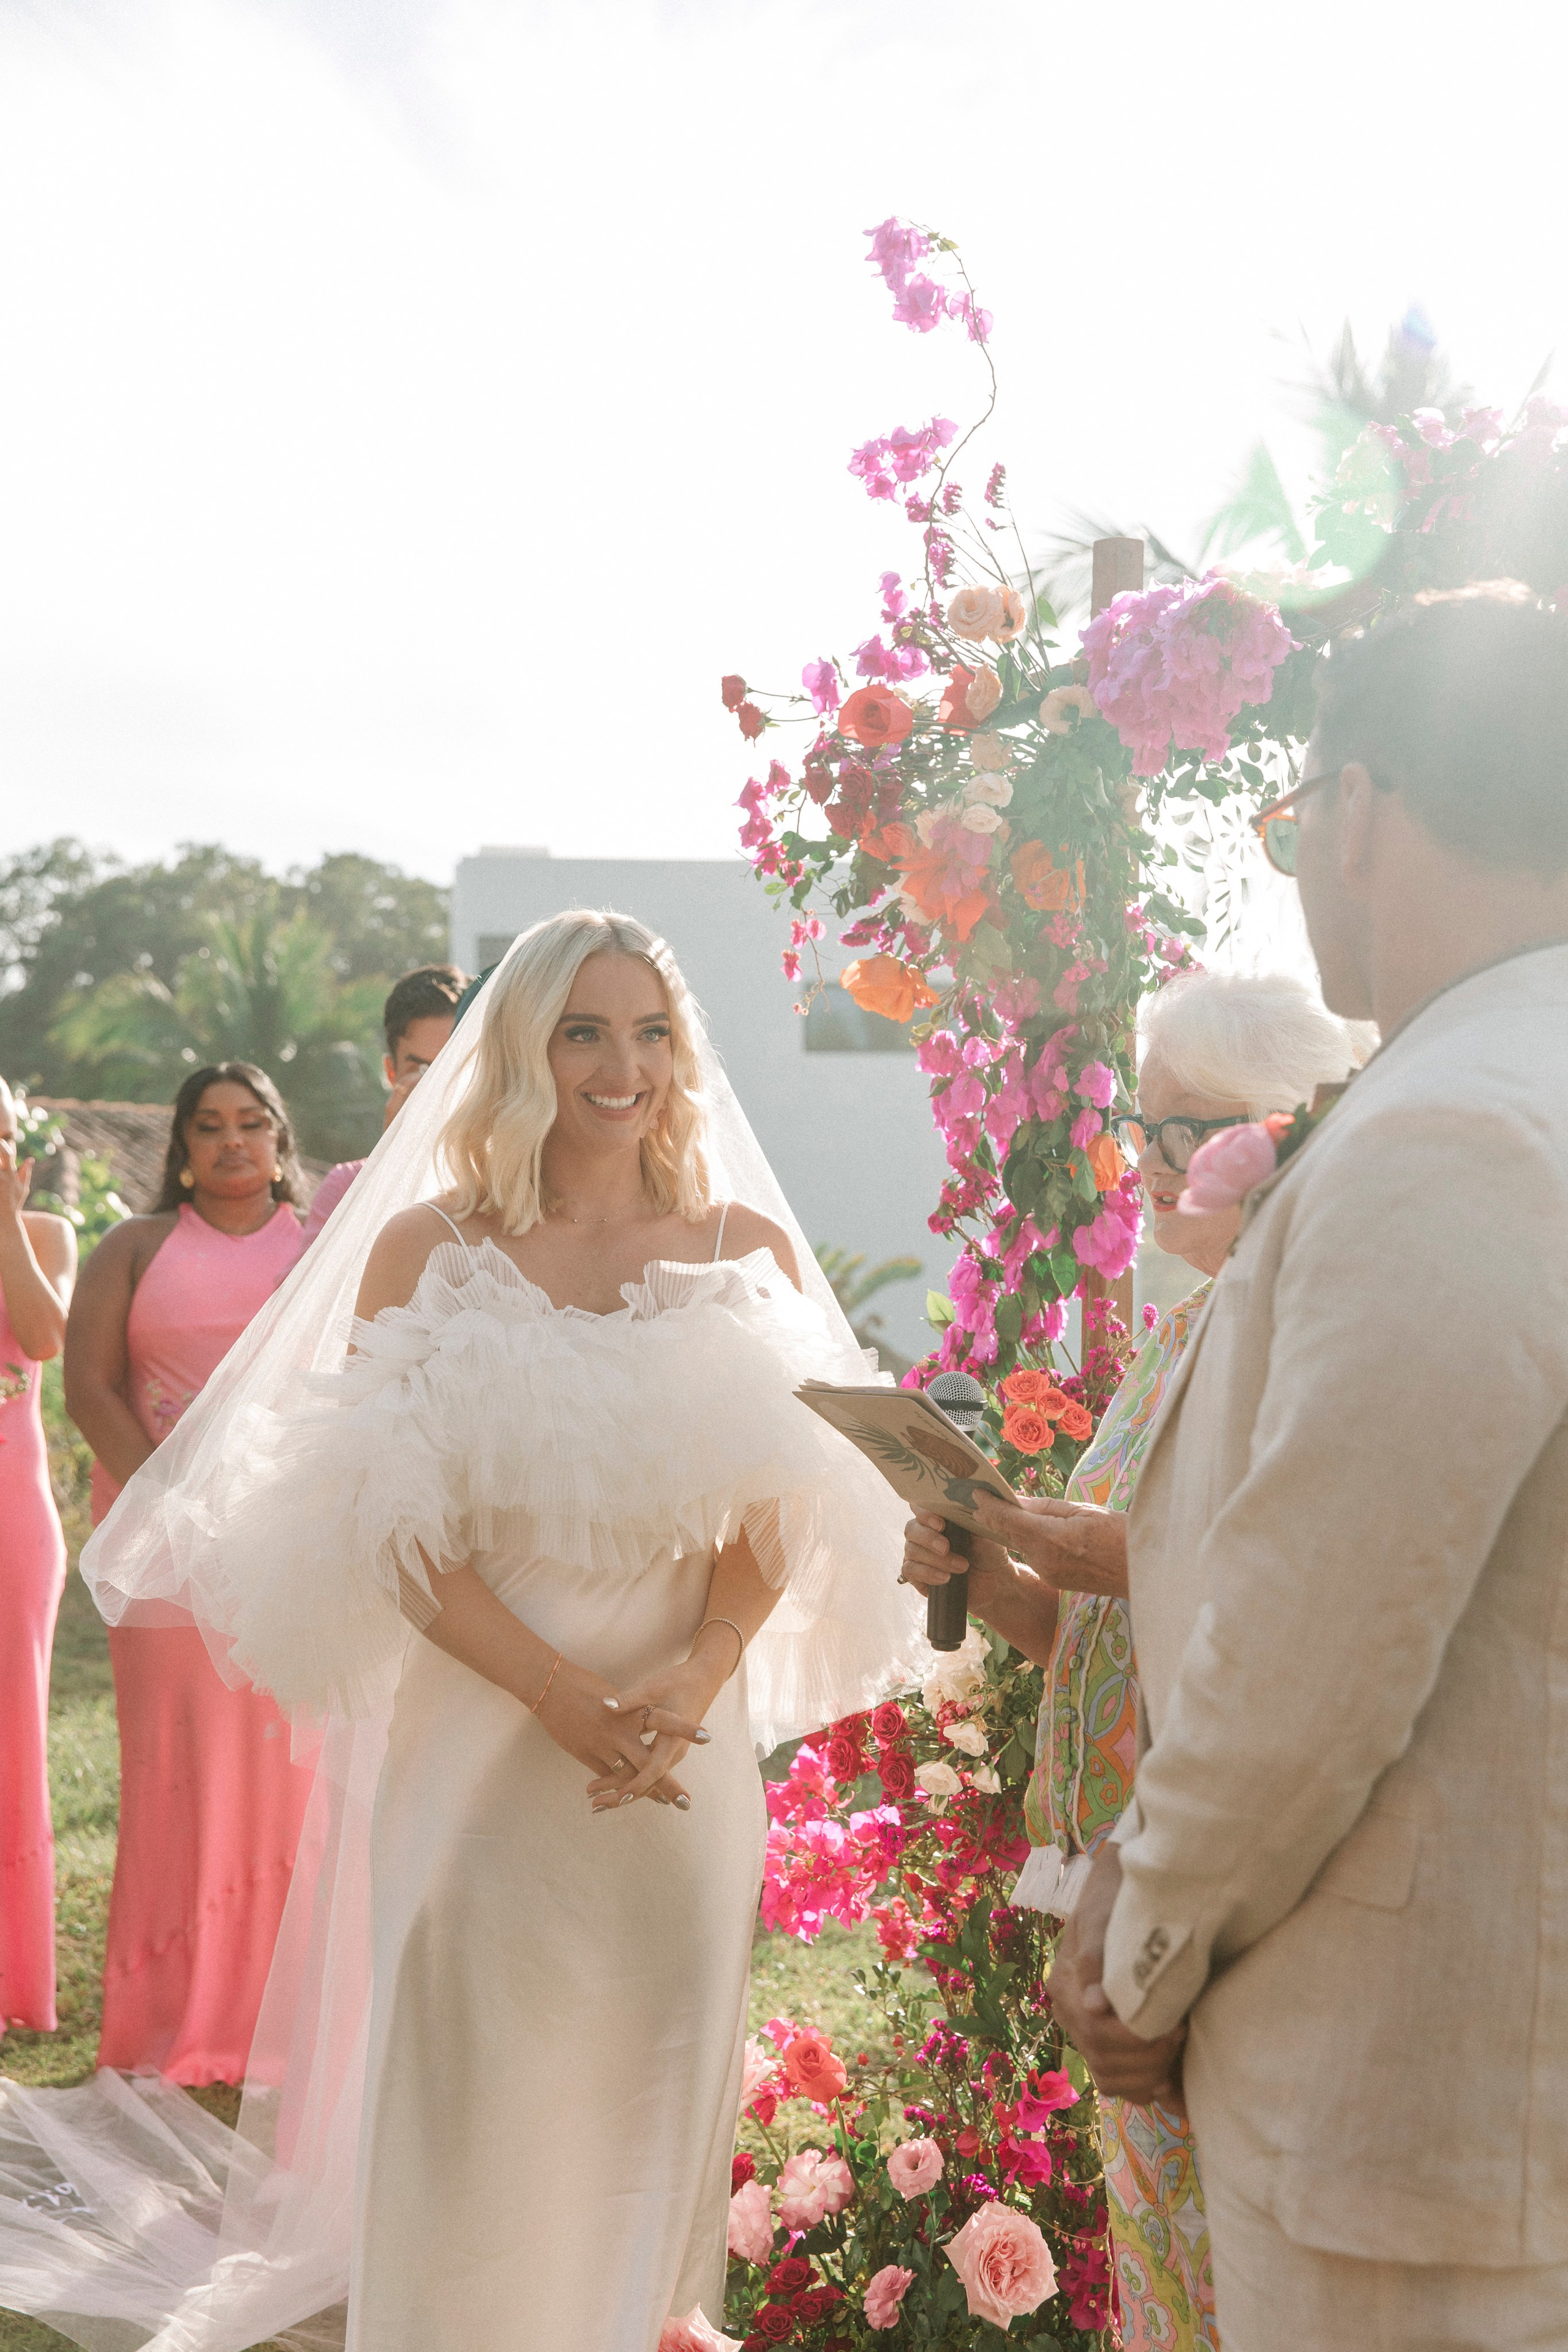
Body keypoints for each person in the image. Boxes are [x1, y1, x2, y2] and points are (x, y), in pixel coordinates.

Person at [0, 913, 924, 2352]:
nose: (619, 1065)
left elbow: (781, 1511)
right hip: (482, 1743)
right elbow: (391, 1528)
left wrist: (693, 1674)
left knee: (649, 2096)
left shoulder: (743, 1247)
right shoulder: (428, 1248)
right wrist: (555, 1693)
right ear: (518, 1049)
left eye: (649, 1030)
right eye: (580, 1029)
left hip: (678, 1756)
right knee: (470, 2096)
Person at [1045, 584, 1568, 2351]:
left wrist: (1142, 1932)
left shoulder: (1453, 1125)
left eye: (1294, 821)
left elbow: (1317, 1637)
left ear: (1358, 809)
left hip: (1416, 2104)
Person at [901, 970, 1366, 2352]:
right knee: (1162, 2273)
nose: (1150, 1165)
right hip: (1117, 1869)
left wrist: (1109, 1554)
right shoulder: (1176, 1331)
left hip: (1237, 1884)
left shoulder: (1311, 1337)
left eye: (1187, 1130)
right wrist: (989, 1574)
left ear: (1285, 1134)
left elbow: (1298, 1606)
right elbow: (1096, 1640)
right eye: (1143, 1130)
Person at [64, 1062, 314, 2083]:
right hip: (162, 1555)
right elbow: (87, 1386)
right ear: (180, 1145)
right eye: (208, 1127)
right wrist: (176, 1499)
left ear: (279, 1138)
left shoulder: (324, 1249)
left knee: (286, 1782)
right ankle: (167, 2023)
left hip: (289, 1550)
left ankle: (277, 2025)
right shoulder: (131, 1248)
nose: (230, 1143)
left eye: (251, 1124)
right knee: (177, 1781)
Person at [0, 1080, 77, 2038]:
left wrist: (5, 1220)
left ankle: (15, 1978)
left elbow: (46, 1337)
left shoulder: (47, 1232)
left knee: (14, 1742)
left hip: (14, 1523)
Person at [299, 962, 468, 1245]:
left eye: (453, 1067)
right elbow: (311, 1288)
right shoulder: (347, 1188)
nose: (438, 1088)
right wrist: (391, 1164)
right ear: (392, 1073)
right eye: (423, 1071)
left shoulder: (525, 1185)